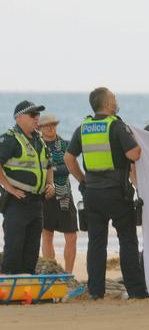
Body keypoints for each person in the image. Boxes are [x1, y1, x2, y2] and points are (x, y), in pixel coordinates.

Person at [64, 87, 147, 299]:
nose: (116, 101)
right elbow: (134, 153)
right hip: (117, 194)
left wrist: (83, 180)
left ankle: (96, 292)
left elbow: (69, 158)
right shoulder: (116, 125)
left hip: (92, 194)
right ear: (108, 104)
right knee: (127, 241)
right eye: (114, 99)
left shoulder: (83, 127)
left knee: (96, 243)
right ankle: (136, 291)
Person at [0, 101, 54, 274]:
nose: (37, 118)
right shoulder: (10, 139)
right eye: (32, 115)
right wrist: (8, 187)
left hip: (37, 203)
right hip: (17, 202)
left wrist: (50, 184)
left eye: (38, 114)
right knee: (14, 249)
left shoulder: (39, 140)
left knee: (31, 250)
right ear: (19, 117)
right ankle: (9, 294)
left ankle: (26, 290)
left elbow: (48, 165)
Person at [38, 114, 78, 273]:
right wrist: (56, 168)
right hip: (46, 194)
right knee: (47, 235)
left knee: (72, 237)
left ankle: (68, 275)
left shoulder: (66, 144)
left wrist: (51, 169)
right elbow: (38, 169)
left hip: (64, 195)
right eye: (47, 125)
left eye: (53, 124)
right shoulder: (37, 146)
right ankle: (51, 274)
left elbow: (69, 168)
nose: (50, 127)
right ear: (39, 128)